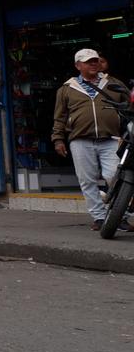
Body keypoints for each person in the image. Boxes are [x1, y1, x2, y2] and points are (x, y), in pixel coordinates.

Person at [52, 48, 130, 232]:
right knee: (87, 180)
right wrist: (58, 139)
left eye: (95, 60)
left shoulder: (112, 83)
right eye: (88, 62)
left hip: (110, 138)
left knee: (115, 177)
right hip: (80, 140)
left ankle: (120, 216)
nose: (93, 64)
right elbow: (60, 117)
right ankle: (99, 217)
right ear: (78, 65)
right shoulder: (67, 89)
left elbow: (129, 104)